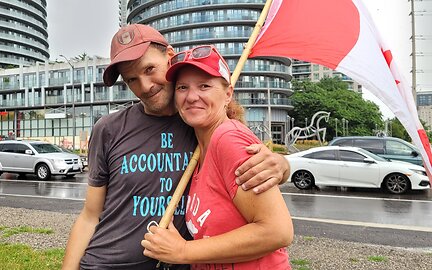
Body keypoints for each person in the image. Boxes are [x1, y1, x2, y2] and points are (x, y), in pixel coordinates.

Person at [62, 24, 290, 270]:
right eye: (131, 80)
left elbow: (238, 148)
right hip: (105, 263)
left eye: (150, 69)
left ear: (169, 57)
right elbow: (90, 215)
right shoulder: (109, 128)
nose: (145, 86)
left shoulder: (200, 124)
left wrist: (283, 165)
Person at [141, 45, 293, 269]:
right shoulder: (199, 148)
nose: (192, 96)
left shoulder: (227, 138)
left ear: (228, 94)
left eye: (204, 86)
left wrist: (183, 251)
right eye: (183, 87)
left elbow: (278, 231)